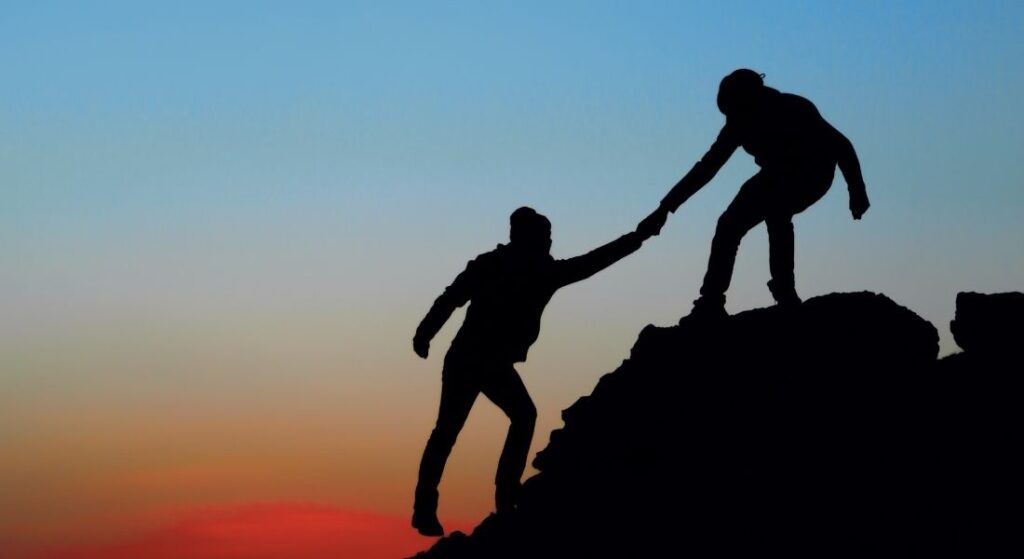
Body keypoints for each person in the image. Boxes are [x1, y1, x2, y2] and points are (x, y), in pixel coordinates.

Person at [412, 207, 655, 536]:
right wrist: (425, 333)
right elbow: (452, 298)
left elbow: (590, 263)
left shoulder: (537, 270)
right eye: (545, 236)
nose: (550, 242)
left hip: (481, 360)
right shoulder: (505, 266)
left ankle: (490, 495)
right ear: (526, 238)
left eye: (550, 236)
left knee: (500, 420)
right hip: (470, 358)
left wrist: (636, 239)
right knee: (463, 427)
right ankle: (483, 497)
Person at [641, 69, 869, 318]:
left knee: (777, 211)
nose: (734, 119)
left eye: (735, 111)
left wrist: (856, 191)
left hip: (814, 172)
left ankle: (785, 294)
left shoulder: (794, 108)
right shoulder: (737, 124)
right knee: (728, 225)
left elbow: (841, 145)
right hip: (775, 174)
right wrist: (665, 207)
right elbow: (706, 168)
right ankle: (711, 300)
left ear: (751, 100)